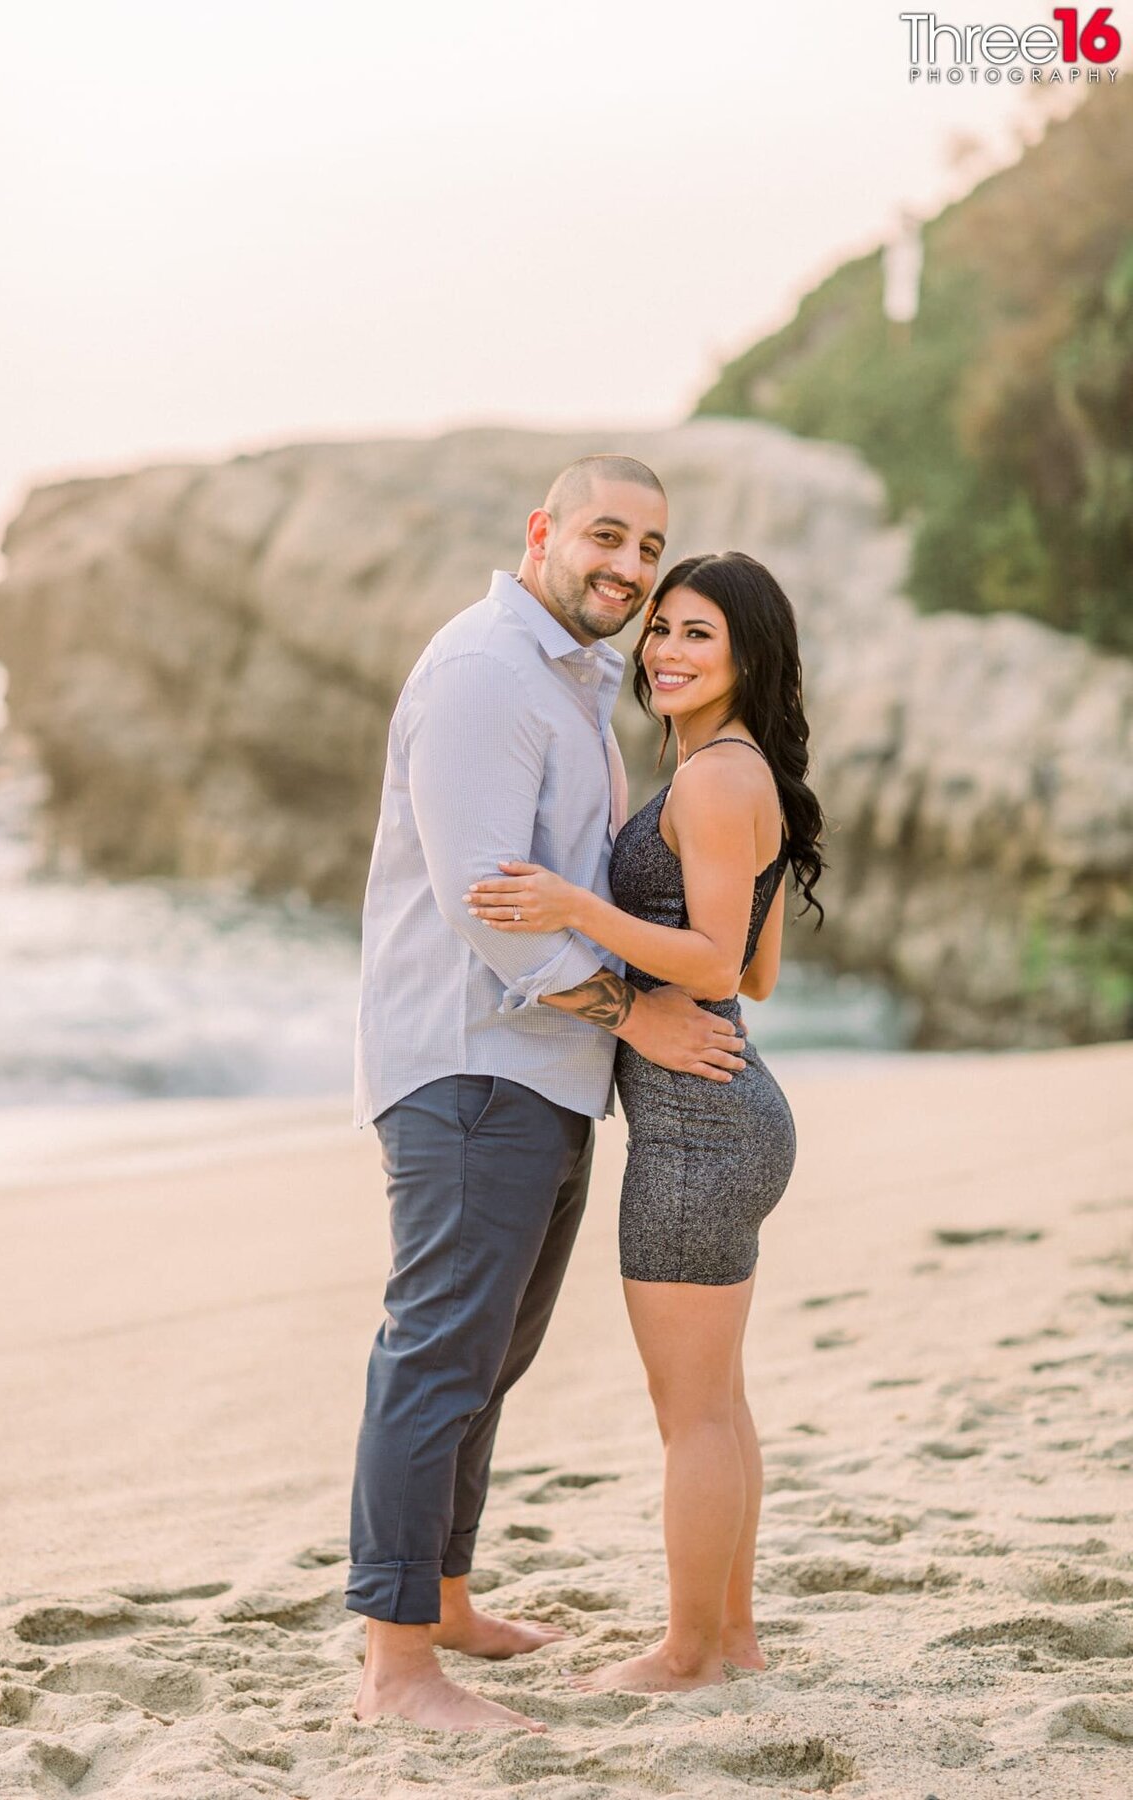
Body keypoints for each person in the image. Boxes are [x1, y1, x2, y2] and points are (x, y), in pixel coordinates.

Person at [349, 459, 749, 1732]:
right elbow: (491, 910)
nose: (629, 569)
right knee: (438, 1355)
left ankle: (447, 1597)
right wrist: (640, 1011)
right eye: (606, 538)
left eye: (651, 548)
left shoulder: (567, 684)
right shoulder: (485, 675)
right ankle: (399, 1668)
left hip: (542, 1075)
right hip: (472, 1063)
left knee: (491, 1357)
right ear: (544, 533)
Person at [467, 550, 827, 1694]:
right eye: (660, 628)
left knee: (692, 1416)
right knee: (715, 1402)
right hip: (727, 1113)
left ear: (746, 656)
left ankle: (685, 1654)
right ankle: (732, 1639)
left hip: (698, 1133)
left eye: (697, 635)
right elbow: (756, 972)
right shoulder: (733, 771)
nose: (665, 651)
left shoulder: (718, 780)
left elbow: (717, 961)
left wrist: (576, 903)